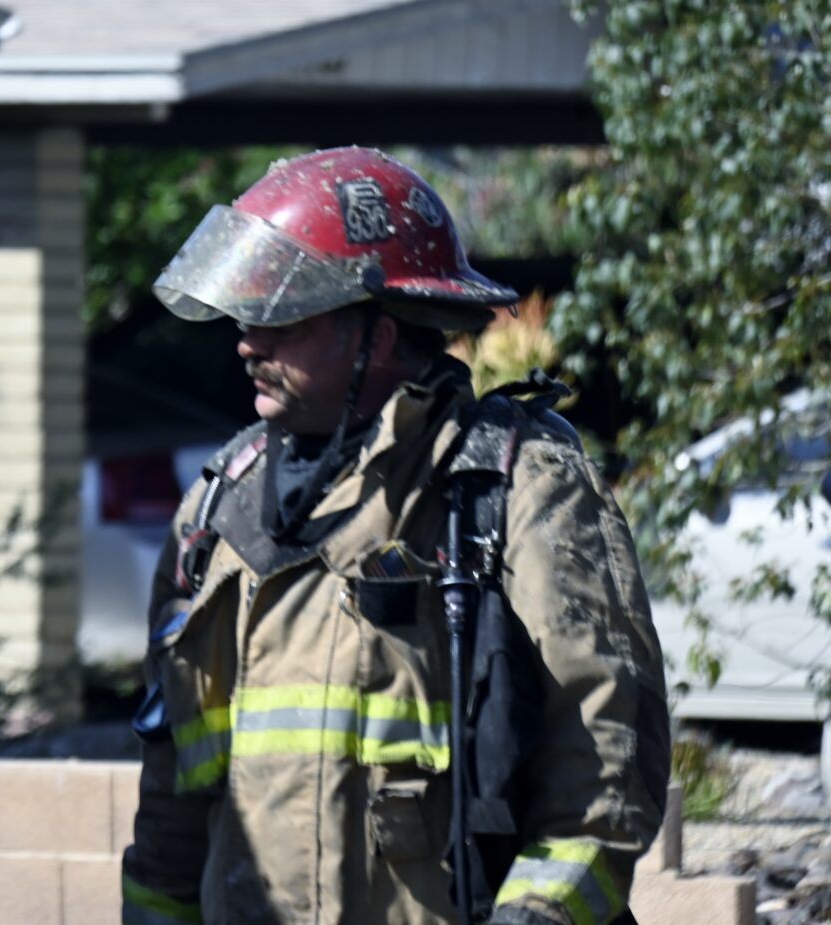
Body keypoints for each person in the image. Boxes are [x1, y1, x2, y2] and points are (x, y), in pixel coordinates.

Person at [122, 147, 670, 925]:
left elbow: (604, 776)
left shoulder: (513, 489)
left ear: (376, 337)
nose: (248, 341)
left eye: (284, 315)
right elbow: (170, 811)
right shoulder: (216, 514)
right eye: (248, 315)